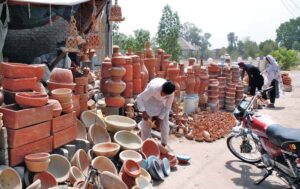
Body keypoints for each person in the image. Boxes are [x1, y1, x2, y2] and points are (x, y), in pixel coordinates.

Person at [136, 78, 175, 146]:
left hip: (161, 102)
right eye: (163, 93)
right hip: (150, 98)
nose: (163, 95)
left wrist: (159, 119)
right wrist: (143, 111)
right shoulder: (153, 88)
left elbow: (167, 107)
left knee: (165, 120)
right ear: (162, 88)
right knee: (146, 121)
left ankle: (164, 143)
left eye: (165, 95)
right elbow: (140, 98)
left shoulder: (171, 93)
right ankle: (145, 142)